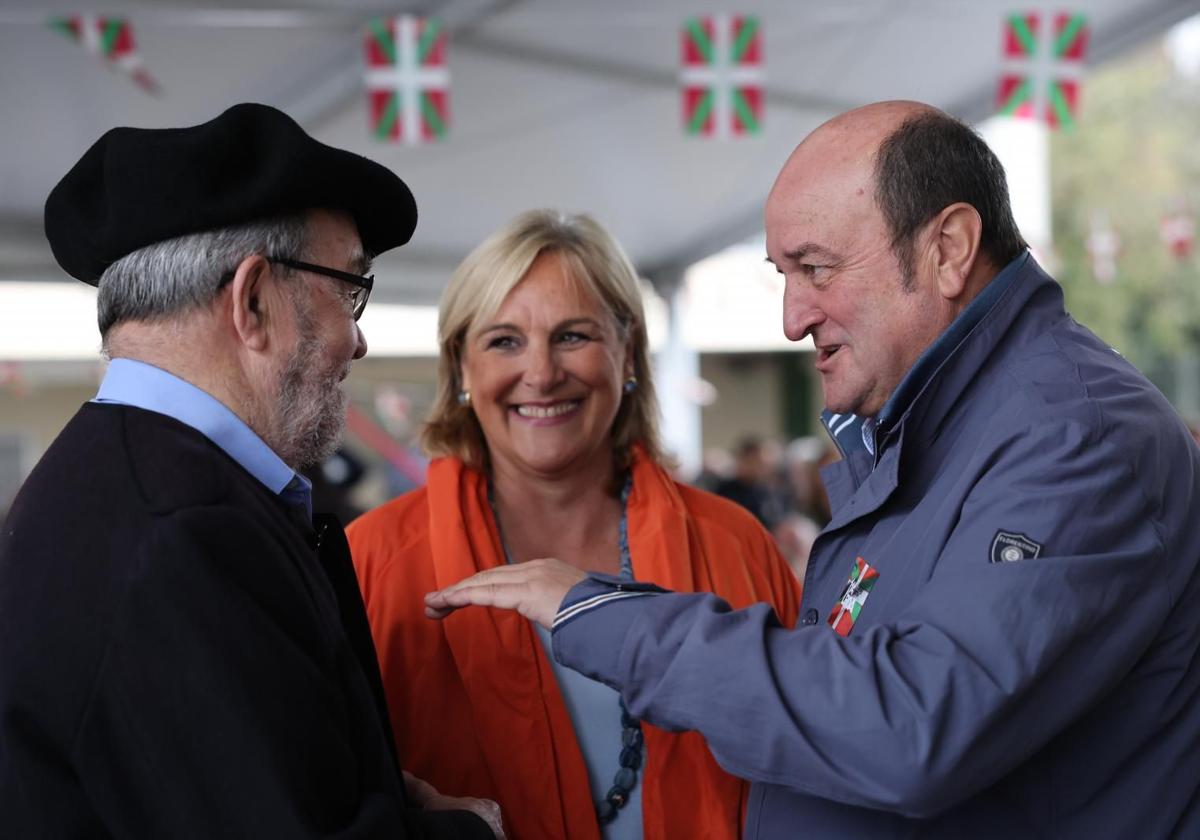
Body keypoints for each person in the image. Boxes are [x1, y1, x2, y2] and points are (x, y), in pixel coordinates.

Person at [424, 102, 1200, 837]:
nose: (792, 318)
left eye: (816, 269)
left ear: (950, 249)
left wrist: (602, 616)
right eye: (783, 275)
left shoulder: (1074, 435)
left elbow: (912, 722)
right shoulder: (942, 426)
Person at [0, 103, 501, 838]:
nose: (357, 341)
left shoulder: (110, 478)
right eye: (350, 291)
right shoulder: (184, 534)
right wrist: (472, 831)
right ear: (255, 300)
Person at [347, 209, 801, 840]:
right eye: (504, 340)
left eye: (573, 336)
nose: (541, 373)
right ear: (461, 370)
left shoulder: (736, 544)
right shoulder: (371, 560)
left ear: (628, 353)